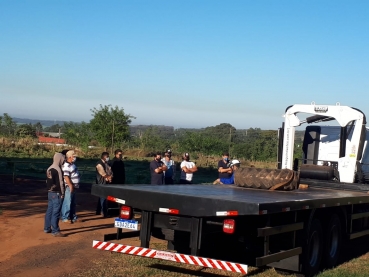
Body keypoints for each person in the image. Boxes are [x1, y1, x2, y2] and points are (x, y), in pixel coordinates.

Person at [44, 153, 66, 237]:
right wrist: (62, 193)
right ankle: (55, 230)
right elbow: (60, 182)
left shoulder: (49, 168)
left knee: (49, 210)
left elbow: (47, 181)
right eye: (62, 160)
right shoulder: (58, 169)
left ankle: (47, 228)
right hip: (57, 193)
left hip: (50, 192)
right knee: (56, 212)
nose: (63, 161)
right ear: (60, 159)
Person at [61, 150, 80, 223]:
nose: (75, 157)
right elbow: (66, 176)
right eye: (74, 156)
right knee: (67, 202)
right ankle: (65, 217)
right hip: (70, 187)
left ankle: (73, 217)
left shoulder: (72, 164)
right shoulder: (66, 165)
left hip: (74, 186)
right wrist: (70, 185)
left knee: (73, 202)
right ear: (69, 157)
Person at [95, 152, 112, 217]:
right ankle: (104, 212)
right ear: (104, 157)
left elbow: (110, 171)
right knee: (103, 197)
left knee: (101, 197)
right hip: (101, 182)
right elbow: (103, 173)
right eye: (107, 156)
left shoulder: (107, 163)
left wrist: (110, 176)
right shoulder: (99, 164)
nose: (108, 158)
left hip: (105, 181)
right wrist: (108, 177)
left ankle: (98, 211)